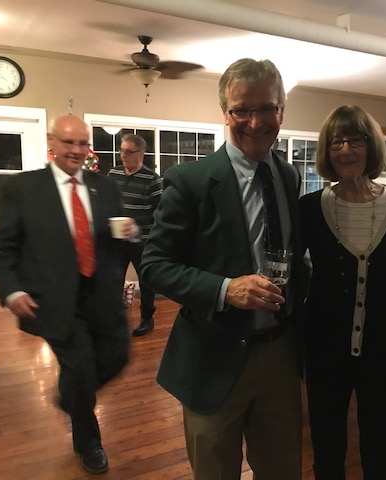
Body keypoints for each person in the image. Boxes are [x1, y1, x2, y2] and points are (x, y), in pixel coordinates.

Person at [140, 58, 306, 479]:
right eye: (241, 110)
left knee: (283, 470)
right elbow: (155, 266)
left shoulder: (289, 177)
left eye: (266, 108)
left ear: (282, 111)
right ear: (225, 112)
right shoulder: (190, 181)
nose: (255, 122)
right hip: (213, 355)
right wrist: (225, 288)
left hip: (280, 353)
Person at [0, 114, 137, 475]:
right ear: (51, 143)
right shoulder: (24, 188)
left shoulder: (105, 187)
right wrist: (11, 290)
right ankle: (89, 443)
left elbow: (116, 241)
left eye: (82, 143)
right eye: (68, 142)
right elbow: (2, 247)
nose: (76, 150)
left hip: (101, 296)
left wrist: (129, 235)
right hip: (56, 300)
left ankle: (70, 396)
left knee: (118, 356)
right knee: (80, 368)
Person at [299, 105, 386, 480]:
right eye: (336, 142)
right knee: (327, 451)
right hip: (324, 353)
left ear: (371, 146)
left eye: (355, 140)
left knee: (380, 452)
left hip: (385, 354)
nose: (345, 150)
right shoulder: (310, 208)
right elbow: (290, 274)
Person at [108, 134, 162, 336]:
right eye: (122, 151)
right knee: (114, 280)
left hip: (143, 242)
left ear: (141, 154)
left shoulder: (152, 180)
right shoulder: (113, 174)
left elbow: (160, 214)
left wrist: (138, 229)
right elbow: (108, 203)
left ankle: (147, 319)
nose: (123, 155)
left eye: (129, 152)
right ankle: (114, 319)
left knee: (146, 282)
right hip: (117, 240)